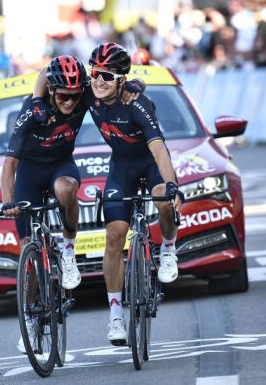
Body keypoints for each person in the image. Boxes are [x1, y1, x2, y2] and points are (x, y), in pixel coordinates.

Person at [5, 54, 143, 353]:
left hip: (60, 165)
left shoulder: (83, 98)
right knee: (27, 250)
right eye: (63, 96)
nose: (69, 102)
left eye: (74, 95)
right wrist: (7, 202)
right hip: (29, 173)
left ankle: (68, 251)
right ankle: (31, 319)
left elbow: (113, 86)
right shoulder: (32, 110)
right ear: (52, 91)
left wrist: (135, 83)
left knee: (66, 189)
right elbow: (9, 164)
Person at [75, 43, 184, 345]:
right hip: (121, 168)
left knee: (163, 199)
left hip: (149, 165)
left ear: (122, 79)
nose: (98, 81)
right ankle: (115, 317)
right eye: (95, 73)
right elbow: (50, 78)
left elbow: (159, 150)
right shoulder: (90, 93)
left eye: (107, 76)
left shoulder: (137, 104)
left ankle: (169, 249)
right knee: (114, 235)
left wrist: (172, 185)